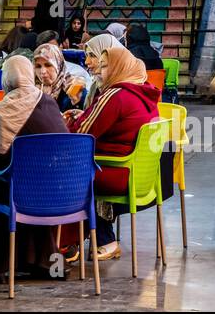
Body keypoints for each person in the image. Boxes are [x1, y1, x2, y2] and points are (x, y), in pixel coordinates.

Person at [64, 47, 161, 260]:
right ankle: (95, 239)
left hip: (115, 172)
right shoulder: (144, 93)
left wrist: (67, 123)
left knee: (66, 170)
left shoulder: (115, 94)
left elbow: (81, 133)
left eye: (106, 66)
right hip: (140, 173)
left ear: (119, 68)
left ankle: (68, 243)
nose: (99, 69)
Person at [0, 55, 68, 279]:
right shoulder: (49, 102)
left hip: (20, 196)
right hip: (61, 193)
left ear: (6, 79)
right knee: (27, 176)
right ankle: (34, 258)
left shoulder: (1, 112)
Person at [33, 42, 86, 111]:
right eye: (38, 66)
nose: (43, 71)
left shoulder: (73, 86)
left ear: (58, 65)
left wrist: (77, 102)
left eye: (48, 65)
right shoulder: (32, 90)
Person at [82, 31, 123, 106]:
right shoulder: (96, 85)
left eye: (92, 55)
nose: (86, 62)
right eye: (86, 55)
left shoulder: (123, 90)